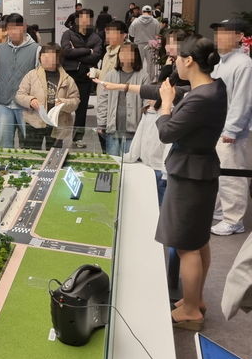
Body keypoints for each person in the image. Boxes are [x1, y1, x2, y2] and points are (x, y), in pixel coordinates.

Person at [97, 35, 227, 329]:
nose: (175, 63)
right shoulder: (213, 88)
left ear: (189, 61)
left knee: (186, 246)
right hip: (201, 172)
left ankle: (191, 310)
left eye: (177, 58)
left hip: (189, 176)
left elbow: (167, 132)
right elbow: (167, 90)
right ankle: (195, 300)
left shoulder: (200, 99)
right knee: (199, 241)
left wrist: (165, 105)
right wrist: (121, 87)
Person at [209, 18, 252, 236]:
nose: (219, 37)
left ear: (239, 36)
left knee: (233, 175)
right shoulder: (221, 62)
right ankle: (220, 212)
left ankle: (234, 220)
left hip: (235, 132)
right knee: (220, 173)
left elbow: (243, 100)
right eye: (217, 32)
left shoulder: (244, 63)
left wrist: (232, 129)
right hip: (219, 127)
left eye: (225, 32)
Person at [15, 43, 80, 149]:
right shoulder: (31, 75)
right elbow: (19, 95)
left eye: (50, 56)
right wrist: (30, 101)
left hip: (57, 123)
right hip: (34, 122)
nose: (45, 58)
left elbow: (75, 100)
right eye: (43, 55)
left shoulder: (67, 79)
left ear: (58, 58)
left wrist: (64, 103)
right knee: (33, 153)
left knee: (54, 154)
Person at [0, 14, 40, 148]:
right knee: (4, 143)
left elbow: (39, 80)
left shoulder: (36, 49)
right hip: (4, 104)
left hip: (26, 106)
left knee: (27, 143)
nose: (13, 32)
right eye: (9, 28)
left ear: (23, 27)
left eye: (16, 28)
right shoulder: (0, 49)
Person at [96, 42, 149, 156]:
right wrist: (101, 123)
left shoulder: (143, 76)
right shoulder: (111, 75)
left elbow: (147, 102)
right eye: (122, 52)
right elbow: (103, 100)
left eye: (128, 53)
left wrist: (145, 126)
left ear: (135, 55)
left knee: (131, 161)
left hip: (134, 130)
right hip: (113, 128)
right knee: (113, 161)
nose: (124, 55)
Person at [61, 9, 103, 147]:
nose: (85, 21)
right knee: (62, 106)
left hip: (85, 77)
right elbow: (66, 52)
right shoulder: (68, 34)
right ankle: (58, 136)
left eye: (88, 18)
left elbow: (95, 57)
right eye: (82, 18)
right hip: (68, 76)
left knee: (81, 109)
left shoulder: (96, 37)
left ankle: (77, 138)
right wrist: (87, 50)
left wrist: (76, 52)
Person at [90, 20, 128, 151]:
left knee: (114, 150)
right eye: (107, 33)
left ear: (124, 35)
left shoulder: (124, 55)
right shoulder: (108, 52)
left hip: (114, 109)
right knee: (106, 146)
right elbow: (107, 75)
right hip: (104, 103)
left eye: (113, 33)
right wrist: (97, 73)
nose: (109, 36)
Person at [129, 5, 161, 81]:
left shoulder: (136, 21)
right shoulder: (155, 21)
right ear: (151, 12)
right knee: (151, 63)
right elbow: (157, 33)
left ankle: (138, 79)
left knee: (138, 63)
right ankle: (150, 80)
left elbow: (131, 33)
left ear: (142, 12)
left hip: (139, 44)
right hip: (151, 44)